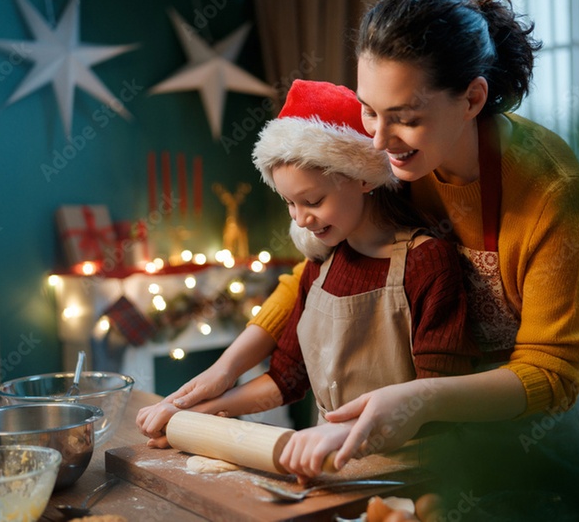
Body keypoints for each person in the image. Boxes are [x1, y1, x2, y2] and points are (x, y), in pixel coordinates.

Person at [141, 0, 579, 489]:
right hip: (465, 376)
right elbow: (312, 271)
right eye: (369, 111)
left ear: (472, 99)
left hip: (555, 378)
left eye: (405, 117)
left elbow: (550, 371)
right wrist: (226, 370)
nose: (377, 140)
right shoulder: (399, 161)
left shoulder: (549, 186)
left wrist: (418, 398)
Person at [137, 79, 477, 477]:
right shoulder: (321, 262)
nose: (300, 220)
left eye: (313, 201)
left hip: (411, 474)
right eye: (290, 204)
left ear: (364, 176)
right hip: (327, 464)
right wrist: (194, 412)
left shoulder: (428, 262)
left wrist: (347, 433)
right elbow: (285, 379)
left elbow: (435, 398)